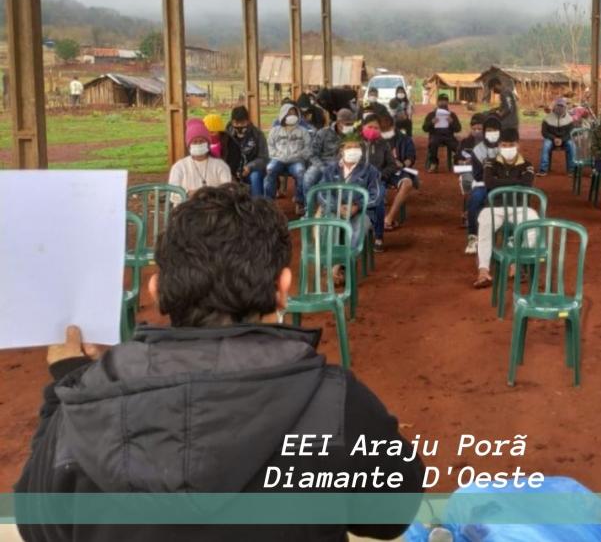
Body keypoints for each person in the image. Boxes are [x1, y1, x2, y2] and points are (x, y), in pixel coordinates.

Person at [15, 184, 423, 542]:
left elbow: (38, 524)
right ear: (282, 289)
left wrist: (67, 386)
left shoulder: (87, 403)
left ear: (156, 290)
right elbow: (392, 514)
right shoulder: (333, 404)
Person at [473, 128, 537, 289]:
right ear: (499, 145)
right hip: (495, 207)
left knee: (533, 224)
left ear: (518, 145)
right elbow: (489, 183)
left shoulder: (527, 164)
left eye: (511, 145)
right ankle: (483, 271)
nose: (508, 148)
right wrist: (516, 182)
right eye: (504, 145)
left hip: (520, 207)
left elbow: (527, 184)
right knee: (485, 224)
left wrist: (500, 182)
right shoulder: (490, 162)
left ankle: (516, 262)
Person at [318, 134, 381, 274]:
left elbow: (376, 196)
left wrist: (357, 206)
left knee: (359, 227)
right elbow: (321, 193)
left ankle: (343, 265)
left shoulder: (370, 170)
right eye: (349, 147)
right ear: (342, 150)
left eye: (356, 147)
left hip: (361, 212)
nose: (353, 150)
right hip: (335, 210)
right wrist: (337, 207)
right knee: (329, 224)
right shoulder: (330, 170)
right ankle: (329, 263)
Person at [266, 103, 316, 214]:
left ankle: (299, 201)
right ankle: (269, 203)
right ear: (283, 114)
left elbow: (308, 147)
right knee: (270, 169)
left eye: (294, 113)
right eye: (289, 113)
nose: (292, 115)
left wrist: (298, 156)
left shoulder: (303, 131)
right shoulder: (275, 130)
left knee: (301, 171)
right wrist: (278, 155)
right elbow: (269, 145)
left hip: (296, 160)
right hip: (278, 159)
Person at [360, 112, 398, 252]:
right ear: (363, 127)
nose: (373, 130)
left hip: (376, 181)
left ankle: (379, 236)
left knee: (379, 201)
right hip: (356, 181)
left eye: (376, 128)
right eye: (370, 127)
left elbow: (392, 165)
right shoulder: (354, 143)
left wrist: (382, 175)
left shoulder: (384, 144)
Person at [464, 115, 502, 255]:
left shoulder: (505, 145)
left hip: (502, 183)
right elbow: (478, 175)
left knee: (514, 198)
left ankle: (511, 236)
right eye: (489, 130)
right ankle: (473, 236)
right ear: (484, 132)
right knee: (475, 199)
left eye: (496, 130)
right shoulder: (477, 150)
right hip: (483, 183)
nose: (492, 133)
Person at [168, 118, 232, 199]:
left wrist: (208, 194)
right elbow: (172, 194)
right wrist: (191, 194)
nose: (198, 144)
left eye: (202, 141)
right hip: (186, 209)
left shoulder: (220, 166)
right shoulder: (179, 167)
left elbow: (228, 191)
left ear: (208, 143)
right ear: (189, 145)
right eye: (195, 142)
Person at [224, 105, 269, 197]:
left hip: (252, 170)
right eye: (236, 123)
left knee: (255, 177)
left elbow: (264, 158)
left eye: (243, 122)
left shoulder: (257, 134)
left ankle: (257, 207)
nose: (239, 126)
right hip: (231, 170)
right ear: (232, 122)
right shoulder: (226, 135)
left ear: (248, 121)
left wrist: (249, 167)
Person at [384, 115, 418, 232]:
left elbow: (411, 158)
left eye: (387, 128)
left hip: (398, 171)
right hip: (379, 171)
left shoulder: (404, 139)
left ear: (393, 126)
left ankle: (389, 218)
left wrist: (403, 164)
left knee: (407, 183)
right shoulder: (374, 139)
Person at [306, 108, 357, 186]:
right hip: (323, 163)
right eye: (347, 124)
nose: (350, 127)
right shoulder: (323, 132)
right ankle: (308, 198)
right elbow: (312, 153)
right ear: (338, 122)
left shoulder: (354, 135)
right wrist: (322, 167)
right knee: (309, 178)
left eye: (351, 124)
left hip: (344, 165)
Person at [457, 113, 486, 229]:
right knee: (467, 180)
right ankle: (469, 213)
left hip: (485, 172)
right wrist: (464, 162)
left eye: (480, 129)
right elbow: (457, 160)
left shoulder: (490, 144)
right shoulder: (465, 142)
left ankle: (479, 212)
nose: (477, 131)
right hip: (468, 170)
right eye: (474, 129)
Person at [422, 94, 462, 173]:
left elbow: (458, 129)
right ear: (437, 102)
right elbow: (424, 128)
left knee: (458, 147)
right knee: (433, 143)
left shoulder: (452, 115)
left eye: (445, 101)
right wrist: (431, 122)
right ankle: (434, 163)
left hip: (449, 137)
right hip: (435, 136)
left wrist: (452, 122)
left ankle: (457, 163)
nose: (443, 103)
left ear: (447, 102)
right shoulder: (431, 115)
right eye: (441, 101)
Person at [538, 97, 576, 177]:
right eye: (558, 106)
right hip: (551, 139)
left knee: (572, 145)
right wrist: (554, 138)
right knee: (546, 145)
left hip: (565, 139)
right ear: (554, 107)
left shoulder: (570, 119)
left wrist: (562, 139)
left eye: (562, 106)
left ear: (565, 107)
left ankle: (572, 170)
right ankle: (543, 169)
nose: (560, 108)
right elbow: (544, 132)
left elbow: (571, 133)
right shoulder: (547, 119)